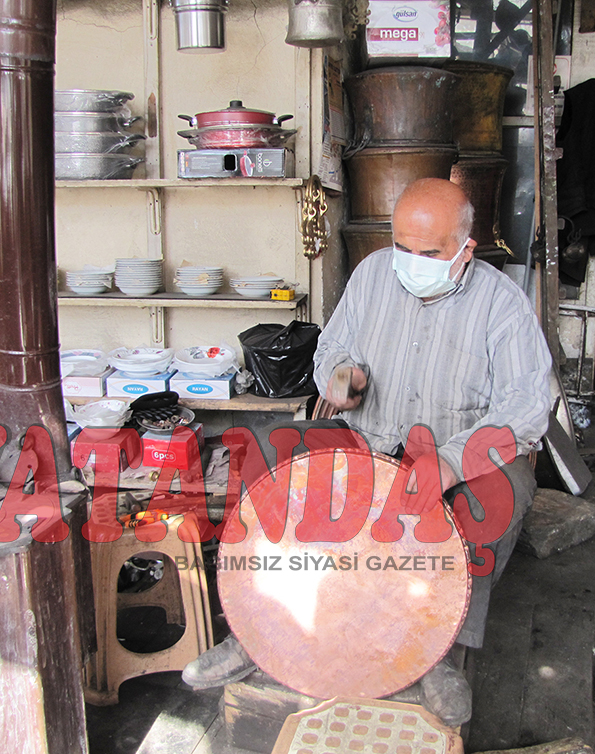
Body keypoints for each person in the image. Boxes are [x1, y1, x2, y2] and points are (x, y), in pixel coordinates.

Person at [182, 178, 553, 728]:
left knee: (497, 498)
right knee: (266, 463)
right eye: (403, 246)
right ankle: (255, 632)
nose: (411, 262)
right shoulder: (373, 274)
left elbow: (526, 407)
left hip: (452, 454)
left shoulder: (502, 304)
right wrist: (339, 377)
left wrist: (451, 463)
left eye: (430, 253)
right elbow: (333, 346)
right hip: (366, 437)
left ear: (465, 249)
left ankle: (439, 653)